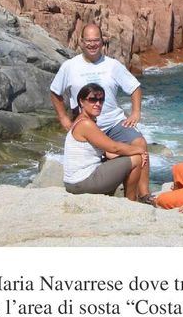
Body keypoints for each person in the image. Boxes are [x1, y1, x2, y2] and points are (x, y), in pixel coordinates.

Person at [50, 22, 155, 204]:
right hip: (90, 127)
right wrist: (63, 118)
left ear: (102, 42)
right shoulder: (70, 66)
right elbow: (55, 92)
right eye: (88, 41)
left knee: (140, 142)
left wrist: (135, 112)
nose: (92, 44)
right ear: (81, 42)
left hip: (114, 123)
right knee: (132, 153)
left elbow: (135, 88)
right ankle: (124, 195)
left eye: (96, 40)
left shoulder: (112, 65)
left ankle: (144, 194)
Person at [63, 83, 145, 199]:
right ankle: (131, 202)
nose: (98, 104)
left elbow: (107, 152)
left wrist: (129, 153)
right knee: (136, 158)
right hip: (81, 182)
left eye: (101, 100)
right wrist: (140, 150)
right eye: (92, 100)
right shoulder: (86, 124)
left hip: (75, 182)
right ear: (81, 102)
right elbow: (114, 147)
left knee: (130, 156)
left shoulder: (82, 121)